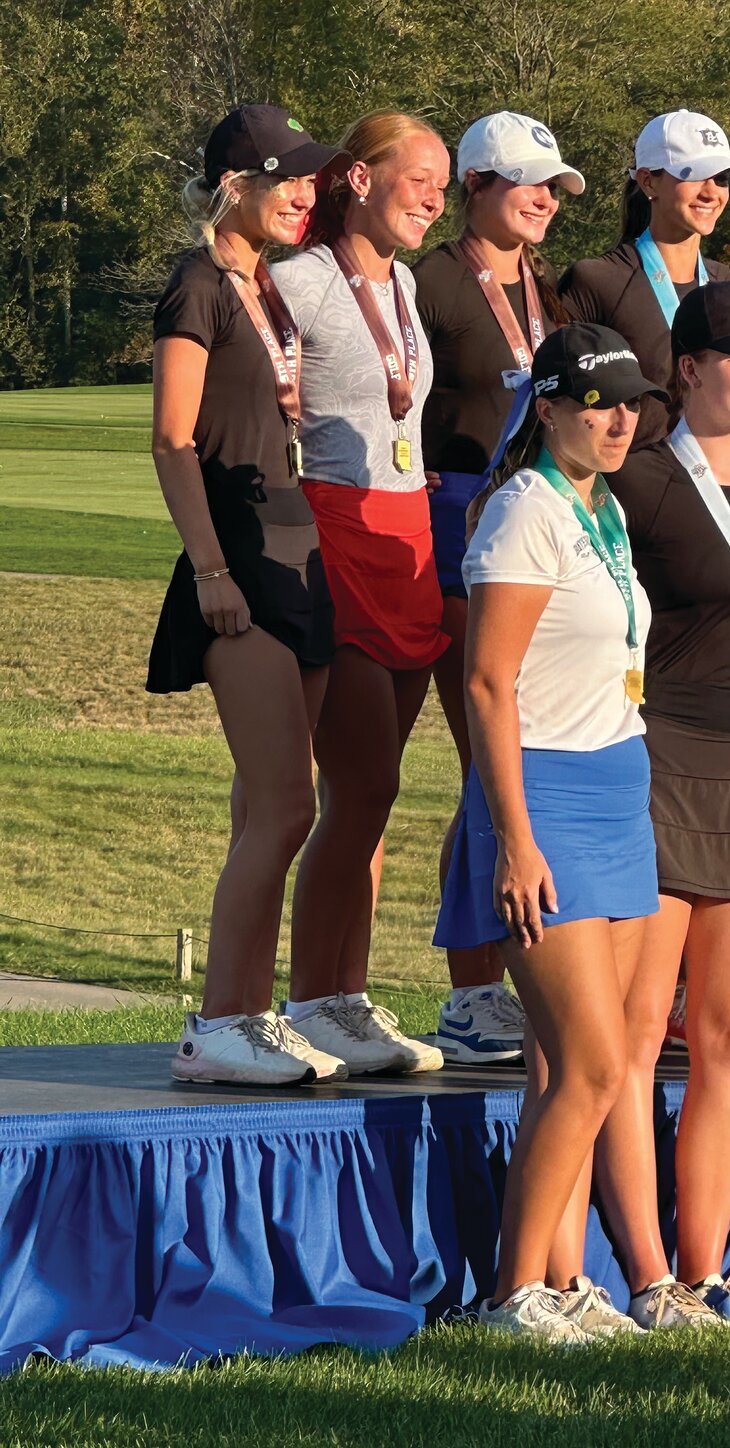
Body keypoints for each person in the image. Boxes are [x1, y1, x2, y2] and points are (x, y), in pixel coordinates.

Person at [433, 324, 665, 1343]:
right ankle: (513, 1292)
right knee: (592, 1065)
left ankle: (562, 1282)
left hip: (617, 785)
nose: (621, 421)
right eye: (600, 403)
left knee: (570, 1064)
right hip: (548, 800)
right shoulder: (526, 508)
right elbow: (487, 682)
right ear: (554, 408)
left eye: (632, 405)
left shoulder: (599, 507)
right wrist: (515, 839)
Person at [601, 281, 730, 1326]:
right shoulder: (638, 481)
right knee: (639, 1034)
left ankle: (706, 1272)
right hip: (661, 756)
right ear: (687, 370)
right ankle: (644, 1277)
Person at [150, 106, 346, 1085]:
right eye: (289, 179)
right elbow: (172, 439)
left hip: (292, 554)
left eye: (313, 180)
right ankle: (221, 1020)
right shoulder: (197, 286)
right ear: (236, 184)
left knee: (273, 809)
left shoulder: (264, 284)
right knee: (280, 803)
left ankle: (250, 1011)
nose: (306, 194)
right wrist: (213, 572)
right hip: (236, 567)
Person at [271, 111, 449, 1075]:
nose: (434, 194)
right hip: (336, 541)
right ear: (358, 179)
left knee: (370, 804)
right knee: (364, 783)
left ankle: (346, 993)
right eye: (418, 176)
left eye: (443, 181)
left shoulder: (411, 282)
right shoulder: (294, 282)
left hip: (407, 535)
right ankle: (311, 999)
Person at [415, 112, 583, 1065]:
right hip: (455, 544)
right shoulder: (434, 281)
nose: (544, 199)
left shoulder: (546, 289)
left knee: (522, 766)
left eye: (553, 186)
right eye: (526, 181)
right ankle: (473, 992)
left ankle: (512, 983)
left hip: (541, 536)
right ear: (475, 182)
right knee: (488, 768)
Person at [559, 110, 730, 450]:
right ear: (648, 181)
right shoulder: (598, 280)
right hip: (628, 489)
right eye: (695, 175)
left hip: (711, 485)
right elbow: (557, 399)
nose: (711, 192)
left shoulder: (725, 283)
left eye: (721, 179)